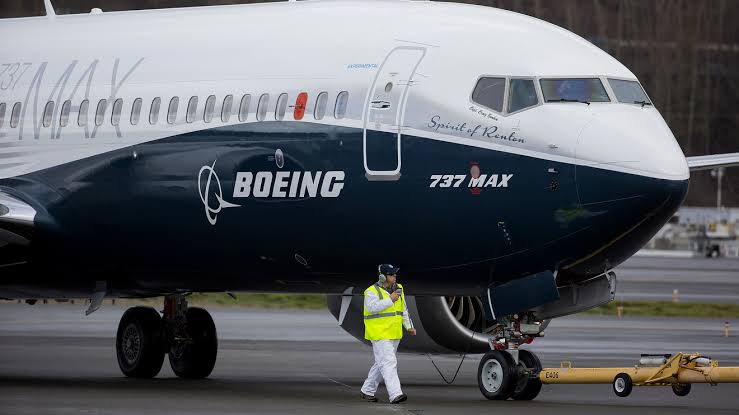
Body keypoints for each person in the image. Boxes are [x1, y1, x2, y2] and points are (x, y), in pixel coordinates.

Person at [360, 264, 416, 404]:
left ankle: (367, 390)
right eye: (391, 274)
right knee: (389, 362)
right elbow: (371, 308)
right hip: (379, 333)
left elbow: (404, 309)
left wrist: (409, 326)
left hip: (394, 333)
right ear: (382, 276)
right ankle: (395, 394)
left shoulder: (399, 289)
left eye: (395, 274)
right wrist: (390, 299)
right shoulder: (371, 291)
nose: (395, 276)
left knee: (382, 363)